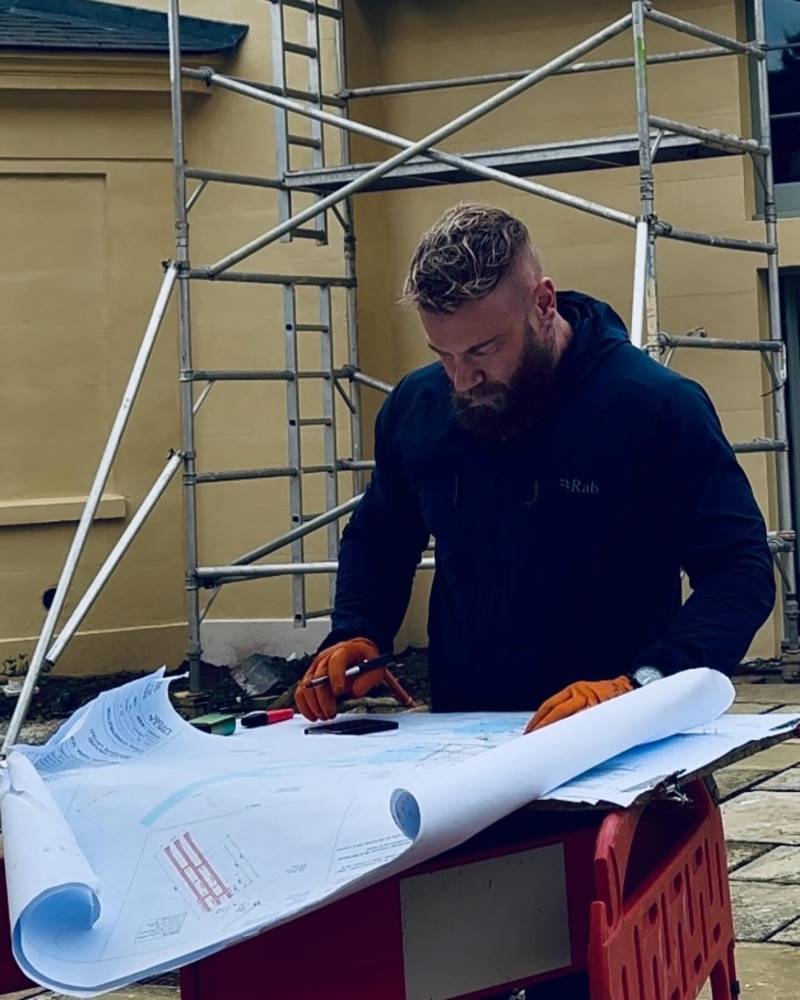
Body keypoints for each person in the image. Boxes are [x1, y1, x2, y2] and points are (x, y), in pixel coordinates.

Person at [295, 203, 775, 732]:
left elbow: (739, 570)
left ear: (543, 303)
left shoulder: (652, 407)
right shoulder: (418, 406)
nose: (462, 379)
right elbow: (381, 537)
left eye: (483, 349)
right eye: (443, 354)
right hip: (462, 739)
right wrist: (357, 631)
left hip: (618, 740)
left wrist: (646, 687)